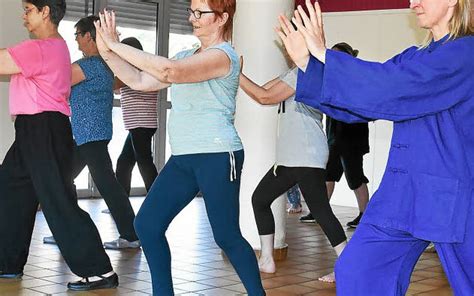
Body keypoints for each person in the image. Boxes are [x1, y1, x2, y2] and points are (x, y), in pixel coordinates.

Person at [278, 0, 474, 294]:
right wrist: (308, 63)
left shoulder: (466, 53)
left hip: (451, 199)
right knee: (359, 271)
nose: (413, 2)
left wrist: (322, 54)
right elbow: (366, 102)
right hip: (401, 194)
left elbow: (394, 87)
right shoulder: (414, 57)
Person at [94, 1, 266, 295]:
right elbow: (139, 80)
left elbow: (169, 71)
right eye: (191, 11)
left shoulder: (224, 57)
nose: (192, 18)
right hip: (184, 158)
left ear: (222, 18)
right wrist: (108, 51)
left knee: (226, 236)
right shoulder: (187, 55)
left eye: (201, 13)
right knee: (147, 225)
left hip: (218, 155)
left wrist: (116, 45)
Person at [0, 0, 117, 291]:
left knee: (58, 201)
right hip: (32, 129)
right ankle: (7, 263)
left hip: (44, 129)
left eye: (28, 10)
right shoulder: (53, 48)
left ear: (45, 12)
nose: (24, 16)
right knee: (10, 191)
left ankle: (99, 271)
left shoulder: (43, 47)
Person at [240, 61, 346, 282]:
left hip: (306, 154)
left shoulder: (304, 72)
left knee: (320, 211)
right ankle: (267, 259)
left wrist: (234, 73)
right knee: (260, 199)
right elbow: (264, 90)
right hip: (289, 158)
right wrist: (237, 76)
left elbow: (265, 97)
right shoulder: (293, 72)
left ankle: (348, 266)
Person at [42, 15, 140, 250]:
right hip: (88, 134)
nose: (75, 40)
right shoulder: (104, 65)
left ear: (89, 36)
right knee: (64, 179)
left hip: (90, 135)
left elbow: (56, 81)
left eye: (77, 35)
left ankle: (131, 234)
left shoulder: (89, 65)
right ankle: (68, 230)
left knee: (107, 185)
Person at [299, 43, 370, 228]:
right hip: (334, 137)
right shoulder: (332, 79)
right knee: (329, 174)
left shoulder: (356, 79)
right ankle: (319, 211)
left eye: (338, 55)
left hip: (352, 138)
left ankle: (365, 214)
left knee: (355, 177)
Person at [115, 37, 158, 197]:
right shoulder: (143, 68)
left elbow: (114, 86)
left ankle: (157, 201)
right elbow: (118, 89)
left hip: (141, 124)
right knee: (125, 162)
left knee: (144, 162)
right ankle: (121, 202)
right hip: (140, 124)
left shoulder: (133, 69)